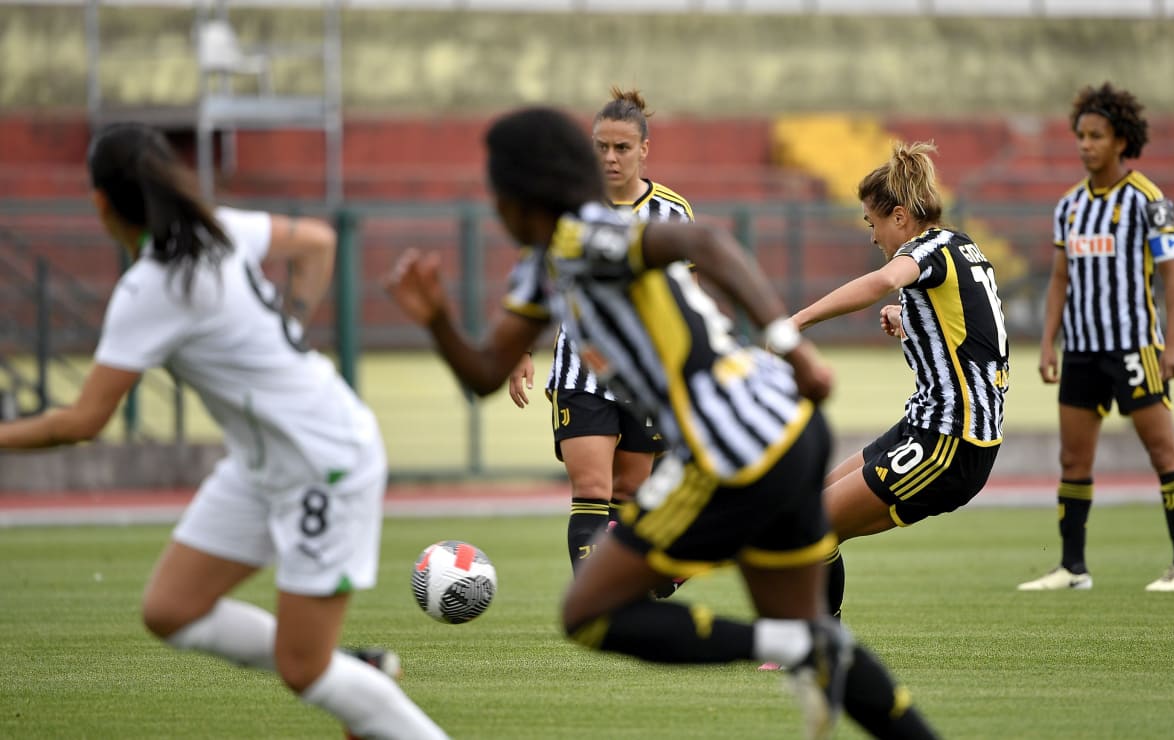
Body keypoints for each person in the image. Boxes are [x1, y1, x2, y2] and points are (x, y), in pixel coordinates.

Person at [385, 106, 939, 740]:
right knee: (812, 640)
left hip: (733, 443)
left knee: (590, 613)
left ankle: (794, 644)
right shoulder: (542, 265)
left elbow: (703, 243)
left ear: (520, 192)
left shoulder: (585, 235)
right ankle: (820, 657)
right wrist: (435, 320)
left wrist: (789, 342)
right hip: (783, 428)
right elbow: (486, 371)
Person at [0, 123, 448, 739]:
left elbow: (83, 421)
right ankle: (355, 673)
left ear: (101, 203)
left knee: (303, 671)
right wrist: (290, 328)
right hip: (265, 463)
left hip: (325, 463)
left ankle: (360, 688)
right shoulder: (222, 228)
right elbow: (317, 243)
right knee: (171, 610)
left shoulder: (151, 288)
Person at [789, 141, 1009, 623]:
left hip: (951, 441)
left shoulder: (926, 250)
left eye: (873, 223)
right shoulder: (961, 246)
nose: (873, 237)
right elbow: (973, 329)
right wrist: (911, 323)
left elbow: (880, 282)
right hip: (926, 429)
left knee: (813, 524)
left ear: (902, 217)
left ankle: (821, 643)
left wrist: (797, 321)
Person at [1017, 82, 1174, 592]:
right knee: (1073, 459)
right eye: (1080, 135)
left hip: (1135, 345)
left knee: (1163, 452)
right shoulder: (1070, 206)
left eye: (1095, 135)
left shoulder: (1149, 200)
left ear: (1121, 140)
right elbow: (1058, 279)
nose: (1085, 145)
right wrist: (1049, 342)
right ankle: (1072, 568)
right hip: (1080, 350)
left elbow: (1173, 275)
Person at [506, 87, 694, 574]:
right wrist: (520, 349)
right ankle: (597, 596)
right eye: (601, 147)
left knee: (630, 493)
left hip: (645, 380)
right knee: (592, 488)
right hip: (579, 374)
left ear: (644, 150)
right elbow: (537, 287)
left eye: (622, 148)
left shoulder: (672, 213)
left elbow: (688, 297)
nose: (610, 158)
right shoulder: (565, 211)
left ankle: (631, 587)